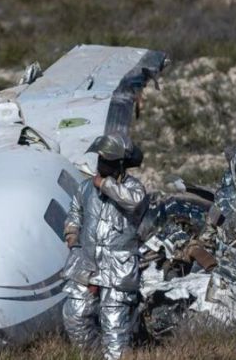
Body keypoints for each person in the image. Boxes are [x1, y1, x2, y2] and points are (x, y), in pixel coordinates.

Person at [61, 133, 146, 360]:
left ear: (119, 165)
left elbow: (134, 202)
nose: (101, 164)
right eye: (100, 159)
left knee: (113, 325)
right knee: (74, 314)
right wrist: (72, 233)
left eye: (107, 161)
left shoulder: (134, 189)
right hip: (86, 263)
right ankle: (91, 356)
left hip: (117, 268)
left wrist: (106, 185)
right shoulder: (86, 188)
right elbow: (75, 212)